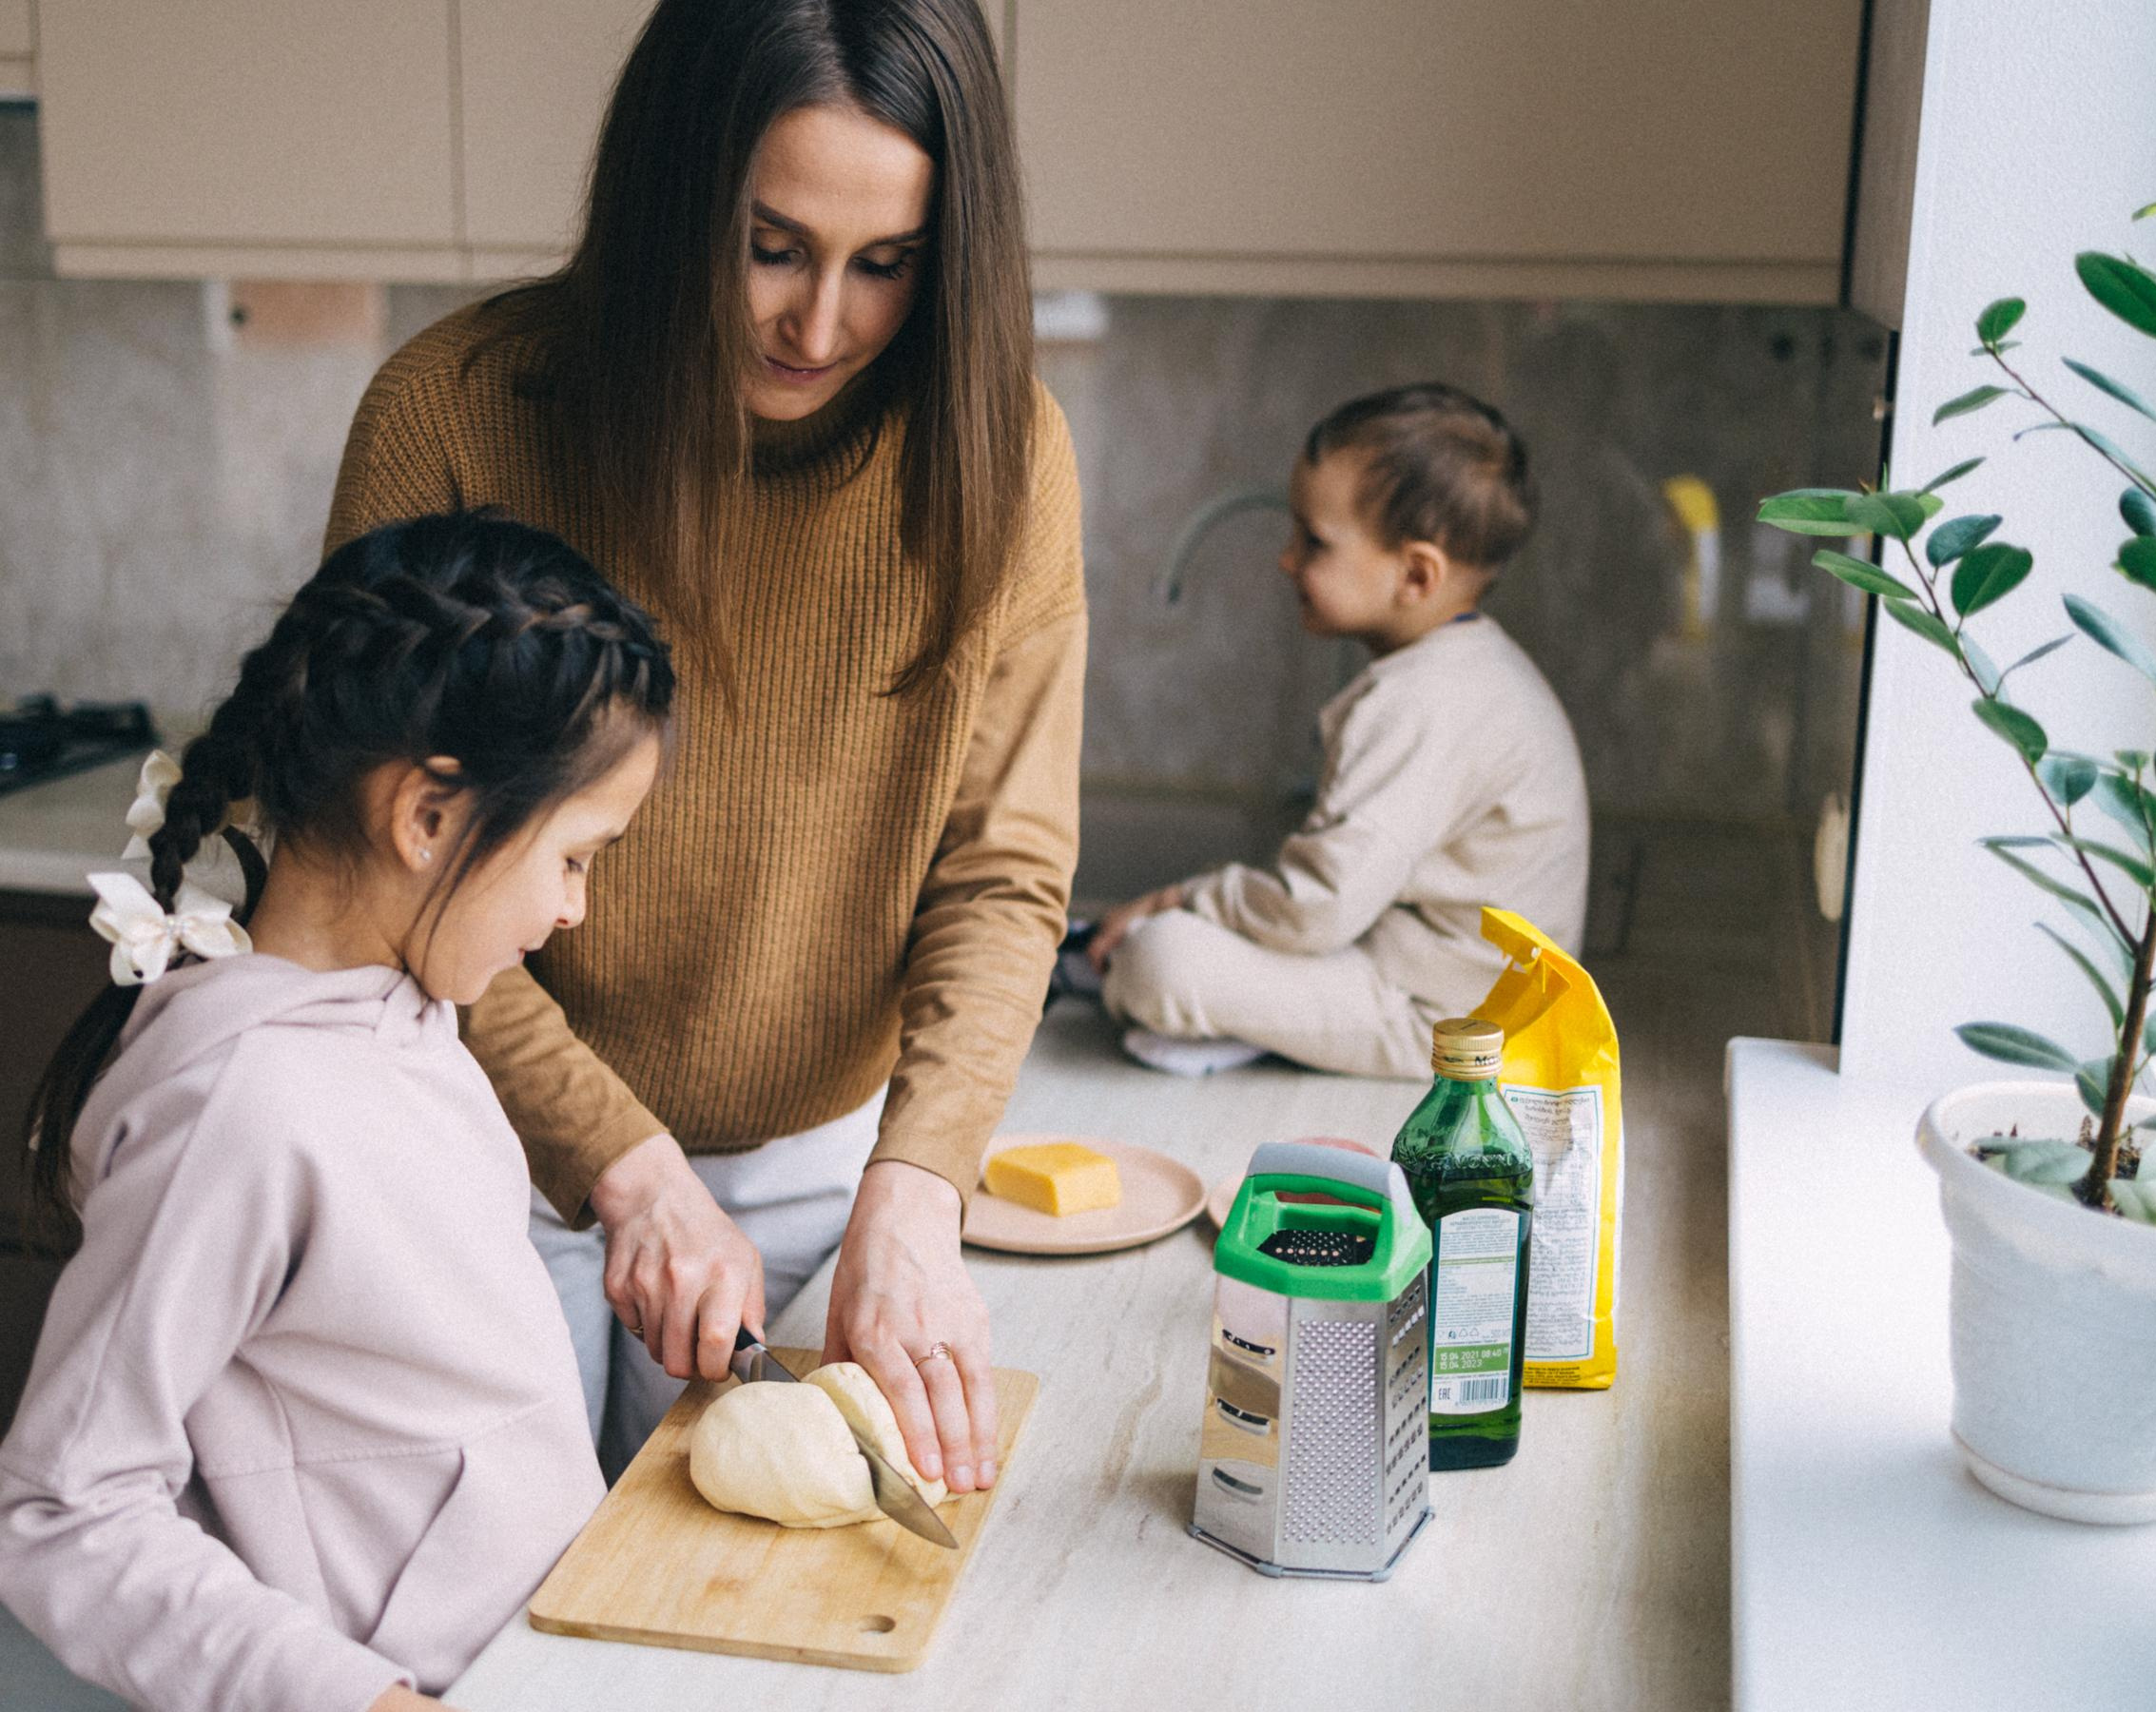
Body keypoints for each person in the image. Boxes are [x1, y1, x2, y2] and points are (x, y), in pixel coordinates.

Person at [325, 0, 1081, 1488]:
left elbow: (1004, 869)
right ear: (673, 198)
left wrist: (917, 1192)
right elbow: (385, 868)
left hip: (828, 1168)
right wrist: (621, 1159)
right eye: (772, 245)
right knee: (506, 1627)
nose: (821, 328)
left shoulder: (1008, 452)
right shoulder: (461, 416)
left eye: (889, 265)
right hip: (483, 1149)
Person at [0, 513, 675, 1711]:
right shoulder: (240, 1110)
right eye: (574, 857)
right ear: (425, 817)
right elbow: (62, 1506)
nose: (576, 909)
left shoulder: (406, 1012)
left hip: (533, 1659)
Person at [1088, 383, 1589, 1079]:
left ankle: (1234, 1026)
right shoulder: (1472, 670)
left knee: (1160, 958)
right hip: (1455, 985)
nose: (1286, 559)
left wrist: (1185, 900)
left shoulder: (1420, 704)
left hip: (1444, 1022)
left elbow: (1316, 911)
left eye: (1313, 541)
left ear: (1416, 574)